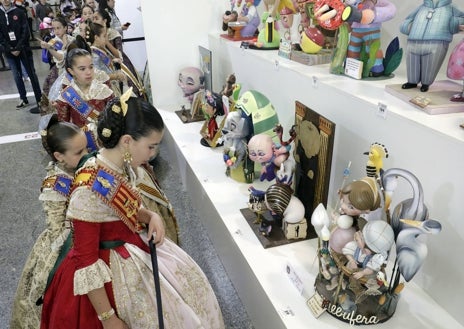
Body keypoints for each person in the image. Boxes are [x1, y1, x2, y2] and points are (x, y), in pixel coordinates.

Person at [40, 90, 225, 329]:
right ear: (126, 141)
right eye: (151, 147)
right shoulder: (87, 191)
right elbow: (85, 261)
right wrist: (109, 319)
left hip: (132, 247)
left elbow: (125, 208)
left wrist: (150, 214)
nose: (153, 154)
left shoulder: (117, 165)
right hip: (107, 280)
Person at [10, 114, 88, 329]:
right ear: (58, 156)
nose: (87, 155)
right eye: (79, 152)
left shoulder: (82, 168)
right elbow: (56, 228)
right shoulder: (54, 185)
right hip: (66, 243)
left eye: (87, 148)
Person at [400, 0, 464, 92]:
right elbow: (408, 19)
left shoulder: (451, 8)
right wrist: (408, 27)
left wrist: (454, 22)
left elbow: (462, 18)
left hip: (437, 41)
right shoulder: (422, 7)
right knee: (412, 62)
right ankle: (412, 81)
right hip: (414, 40)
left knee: (430, 65)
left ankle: (426, 83)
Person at [54, 46, 114, 127]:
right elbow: (64, 128)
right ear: (71, 71)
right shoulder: (67, 95)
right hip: (79, 138)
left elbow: (115, 119)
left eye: (91, 67)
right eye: (82, 69)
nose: (88, 72)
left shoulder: (104, 90)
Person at [0, 0, 43, 113]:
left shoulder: (19, 12)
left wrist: (18, 47)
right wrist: (10, 48)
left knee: (31, 74)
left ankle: (40, 100)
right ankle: (23, 99)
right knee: (16, 75)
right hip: (9, 52)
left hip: (23, 49)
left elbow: (25, 31)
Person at [39, 16, 75, 99]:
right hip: (62, 73)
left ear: (65, 27)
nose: (56, 31)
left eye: (58, 28)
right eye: (54, 29)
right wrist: (50, 48)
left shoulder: (73, 39)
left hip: (74, 71)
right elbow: (60, 58)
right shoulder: (52, 42)